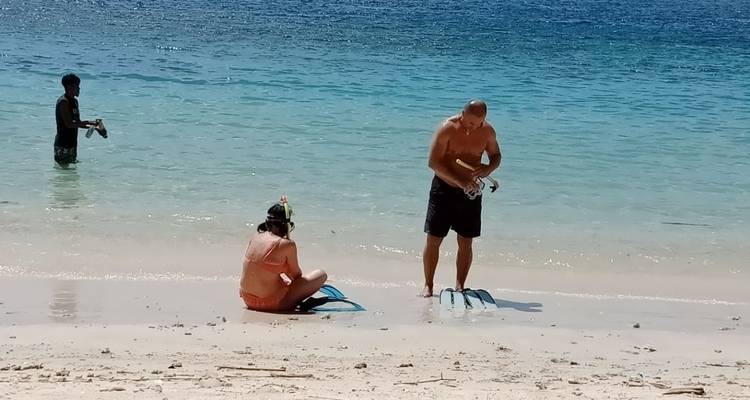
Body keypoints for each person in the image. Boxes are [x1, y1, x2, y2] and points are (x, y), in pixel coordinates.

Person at [421, 100, 501, 297]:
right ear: (462, 114)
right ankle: (428, 285)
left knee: (466, 241)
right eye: (470, 122)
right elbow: (433, 163)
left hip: (471, 191)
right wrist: (459, 181)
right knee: (434, 238)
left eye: (477, 123)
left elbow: (496, 155)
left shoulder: (487, 131)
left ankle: (460, 285)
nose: (472, 127)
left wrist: (488, 168)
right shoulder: (447, 129)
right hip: (443, 188)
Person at [240, 196, 327, 312]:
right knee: (321, 274)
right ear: (287, 224)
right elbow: (296, 275)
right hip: (271, 304)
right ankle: (292, 301)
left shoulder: (256, 236)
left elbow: (262, 268)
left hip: (247, 299)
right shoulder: (286, 244)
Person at [54, 74, 98, 166]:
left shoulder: (74, 101)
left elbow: (77, 123)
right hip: (63, 143)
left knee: (71, 170)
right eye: (77, 86)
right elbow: (68, 124)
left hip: (72, 142)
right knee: (63, 170)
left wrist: (94, 126)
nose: (79, 89)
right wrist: (87, 123)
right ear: (69, 87)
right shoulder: (63, 102)